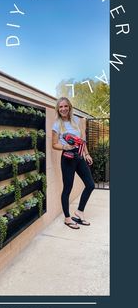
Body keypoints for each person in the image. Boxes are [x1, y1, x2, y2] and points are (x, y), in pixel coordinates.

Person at [52, 97, 95, 229]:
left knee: (90, 185)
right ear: (58, 109)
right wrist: (65, 147)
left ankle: (79, 211)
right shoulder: (56, 124)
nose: (63, 109)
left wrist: (86, 154)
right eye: (60, 107)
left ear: (69, 107)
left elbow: (82, 140)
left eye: (65, 106)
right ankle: (67, 218)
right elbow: (54, 144)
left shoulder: (76, 120)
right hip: (67, 158)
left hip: (79, 156)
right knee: (67, 188)